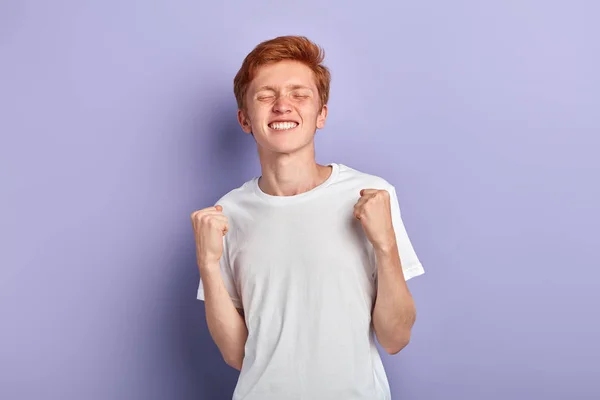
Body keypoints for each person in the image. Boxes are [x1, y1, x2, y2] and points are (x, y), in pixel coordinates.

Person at [190, 35, 425, 400]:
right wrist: (207, 263)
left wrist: (385, 244)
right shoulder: (226, 214)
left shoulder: (369, 195)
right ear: (245, 119)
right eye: (265, 96)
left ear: (322, 114)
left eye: (299, 94)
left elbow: (396, 339)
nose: (283, 105)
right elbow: (238, 356)